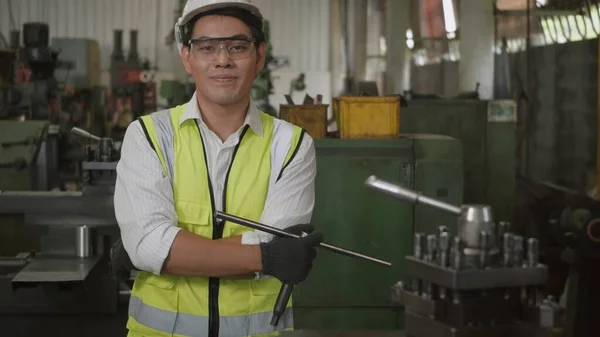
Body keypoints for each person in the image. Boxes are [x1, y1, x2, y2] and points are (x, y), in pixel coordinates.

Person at [113, 0, 323, 336]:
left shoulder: (292, 145)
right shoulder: (149, 136)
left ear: (260, 56)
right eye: (207, 48)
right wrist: (264, 258)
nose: (222, 60)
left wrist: (164, 252)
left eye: (237, 47)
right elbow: (270, 251)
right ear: (187, 58)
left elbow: (152, 247)